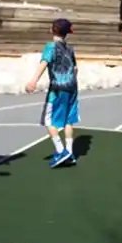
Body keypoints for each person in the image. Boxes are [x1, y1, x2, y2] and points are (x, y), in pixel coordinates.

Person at [26, 18, 80, 168]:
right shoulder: (70, 49)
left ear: (53, 30)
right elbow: (75, 69)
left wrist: (33, 81)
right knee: (69, 120)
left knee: (49, 120)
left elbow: (44, 63)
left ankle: (61, 150)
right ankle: (70, 152)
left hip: (58, 88)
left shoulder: (50, 47)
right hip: (72, 87)